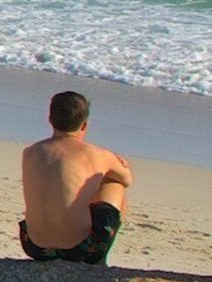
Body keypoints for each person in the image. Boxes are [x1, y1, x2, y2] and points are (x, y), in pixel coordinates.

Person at [18, 90, 132, 263]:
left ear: (50, 120)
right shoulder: (98, 154)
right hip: (82, 250)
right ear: (84, 125)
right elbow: (126, 179)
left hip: (34, 246)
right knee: (113, 184)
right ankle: (100, 259)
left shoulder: (30, 152)